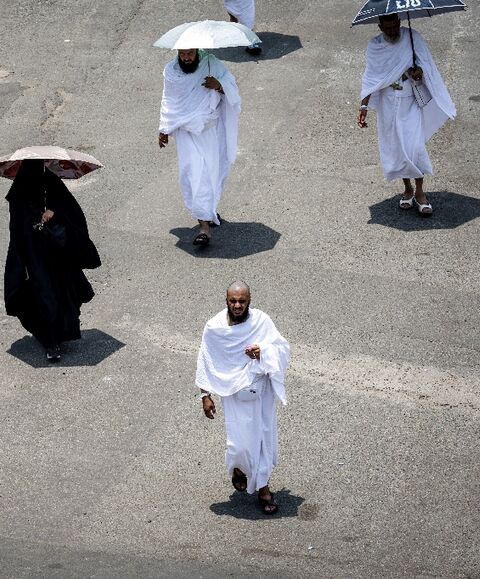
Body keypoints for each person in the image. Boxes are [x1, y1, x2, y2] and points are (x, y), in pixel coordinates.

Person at [195, 282, 290, 515]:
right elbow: (205, 359)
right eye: (232, 301)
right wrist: (205, 395)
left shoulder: (261, 321)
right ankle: (238, 469)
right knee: (238, 445)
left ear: (250, 300)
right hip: (233, 394)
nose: (237, 305)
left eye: (242, 301)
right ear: (226, 300)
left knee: (262, 440)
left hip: (261, 393)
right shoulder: (215, 328)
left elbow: (282, 348)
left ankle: (264, 489)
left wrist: (262, 352)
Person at [357, 14, 456, 217]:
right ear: (379, 27)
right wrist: (363, 107)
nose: (392, 31)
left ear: (400, 23)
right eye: (387, 28)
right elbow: (371, 76)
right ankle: (407, 189)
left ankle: (420, 192)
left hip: (410, 101)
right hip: (388, 103)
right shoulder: (375, 46)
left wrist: (419, 71)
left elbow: (427, 65)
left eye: (395, 26)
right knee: (397, 148)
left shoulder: (412, 37)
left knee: (414, 147)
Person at [4, 160, 101, 362]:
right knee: (44, 296)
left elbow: (71, 210)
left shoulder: (52, 185)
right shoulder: (19, 195)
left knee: (62, 295)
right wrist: (34, 222)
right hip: (33, 257)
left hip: (56, 255)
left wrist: (53, 212)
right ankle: (50, 342)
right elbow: (17, 227)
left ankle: (59, 334)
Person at [158, 48, 241, 246]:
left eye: (190, 54)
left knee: (212, 173)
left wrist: (219, 85)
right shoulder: (171, 72)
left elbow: (231, 85)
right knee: (194, 174)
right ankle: (204, 227)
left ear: (197, 51)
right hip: (186, 133)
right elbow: (169, 101)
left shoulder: (211, 64)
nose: (186, 58)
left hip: (211, 132)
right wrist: (163, 129)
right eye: (183, 54)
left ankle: (208, 209)